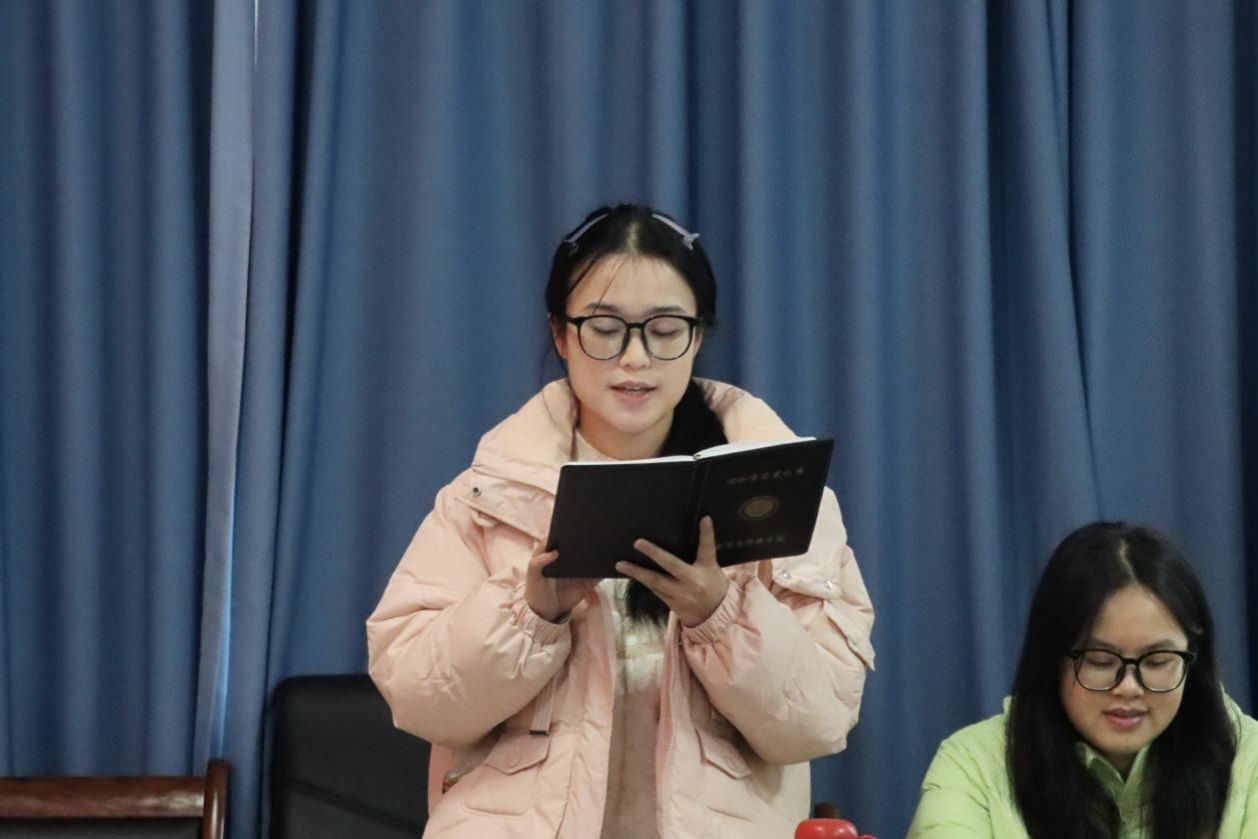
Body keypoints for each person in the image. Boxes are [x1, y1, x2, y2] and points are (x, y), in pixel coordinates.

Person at [366, 203, 875, 838]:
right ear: (560, 334)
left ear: (699, 334)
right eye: (604, 328)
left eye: (665, 328)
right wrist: (530, 612)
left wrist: (720, 616)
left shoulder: (779, 490)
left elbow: (819, 721)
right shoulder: (488, 495)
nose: (635, 357)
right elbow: (418, 700)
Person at [907, 521, 1258, 838]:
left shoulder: (1249, 757)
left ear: (1193, 660)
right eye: (1100, 661)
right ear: (1052, 658)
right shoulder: (973, 767)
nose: (1129, 687)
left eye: (1158, 661)